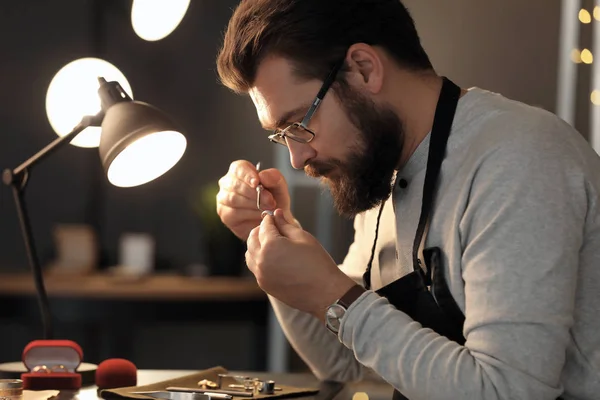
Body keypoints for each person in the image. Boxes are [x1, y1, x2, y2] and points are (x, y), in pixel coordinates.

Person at [214, 1, 600, 399]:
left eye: (298, 124)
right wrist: (272, 235)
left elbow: (510, 392)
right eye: (282, 135)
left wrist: (336, 296)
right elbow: (344, 362)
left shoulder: (519, 159)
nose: (297, 158)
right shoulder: (385, 165)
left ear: (363, 68)